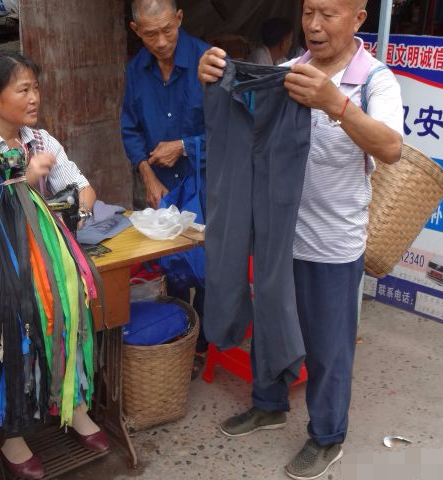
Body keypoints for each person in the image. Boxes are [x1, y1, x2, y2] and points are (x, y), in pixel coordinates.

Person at [198, 0, 403, 479]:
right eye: (309, 11)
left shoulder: (375, 80)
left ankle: (327, 436)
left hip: (333, 243)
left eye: (328, 14)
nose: (313, 24)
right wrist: (214, 75)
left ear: (358, 18)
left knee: (329, 348)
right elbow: (241, 114)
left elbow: (391, 147)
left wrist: (335, 103)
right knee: (271, 323)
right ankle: (268, 405)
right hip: (277, 237)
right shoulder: (288, 71)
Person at [0, 50, 107, 480]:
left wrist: (75, 210)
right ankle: (12, 428)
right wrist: (24, 181)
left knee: (75, 307)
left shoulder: (41, 139)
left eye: (36, 87)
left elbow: (82, 187)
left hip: (47, 263)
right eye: (24, 89)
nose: (35, 98)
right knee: (15, 329)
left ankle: (75, 404)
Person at [121, 0, 209, 375]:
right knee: (172, 267)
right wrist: (147, 174)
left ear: (179, 19)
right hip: (163, 187)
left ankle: (204, 343)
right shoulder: (135, 70)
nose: (160, 41)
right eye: (150, 34)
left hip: (205, 182)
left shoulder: (208, 61)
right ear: (135, 30)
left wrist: (186, 146)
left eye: (167, 30)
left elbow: (236, 132)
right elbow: (130, 128)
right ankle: (179, 337)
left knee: (205, 266)